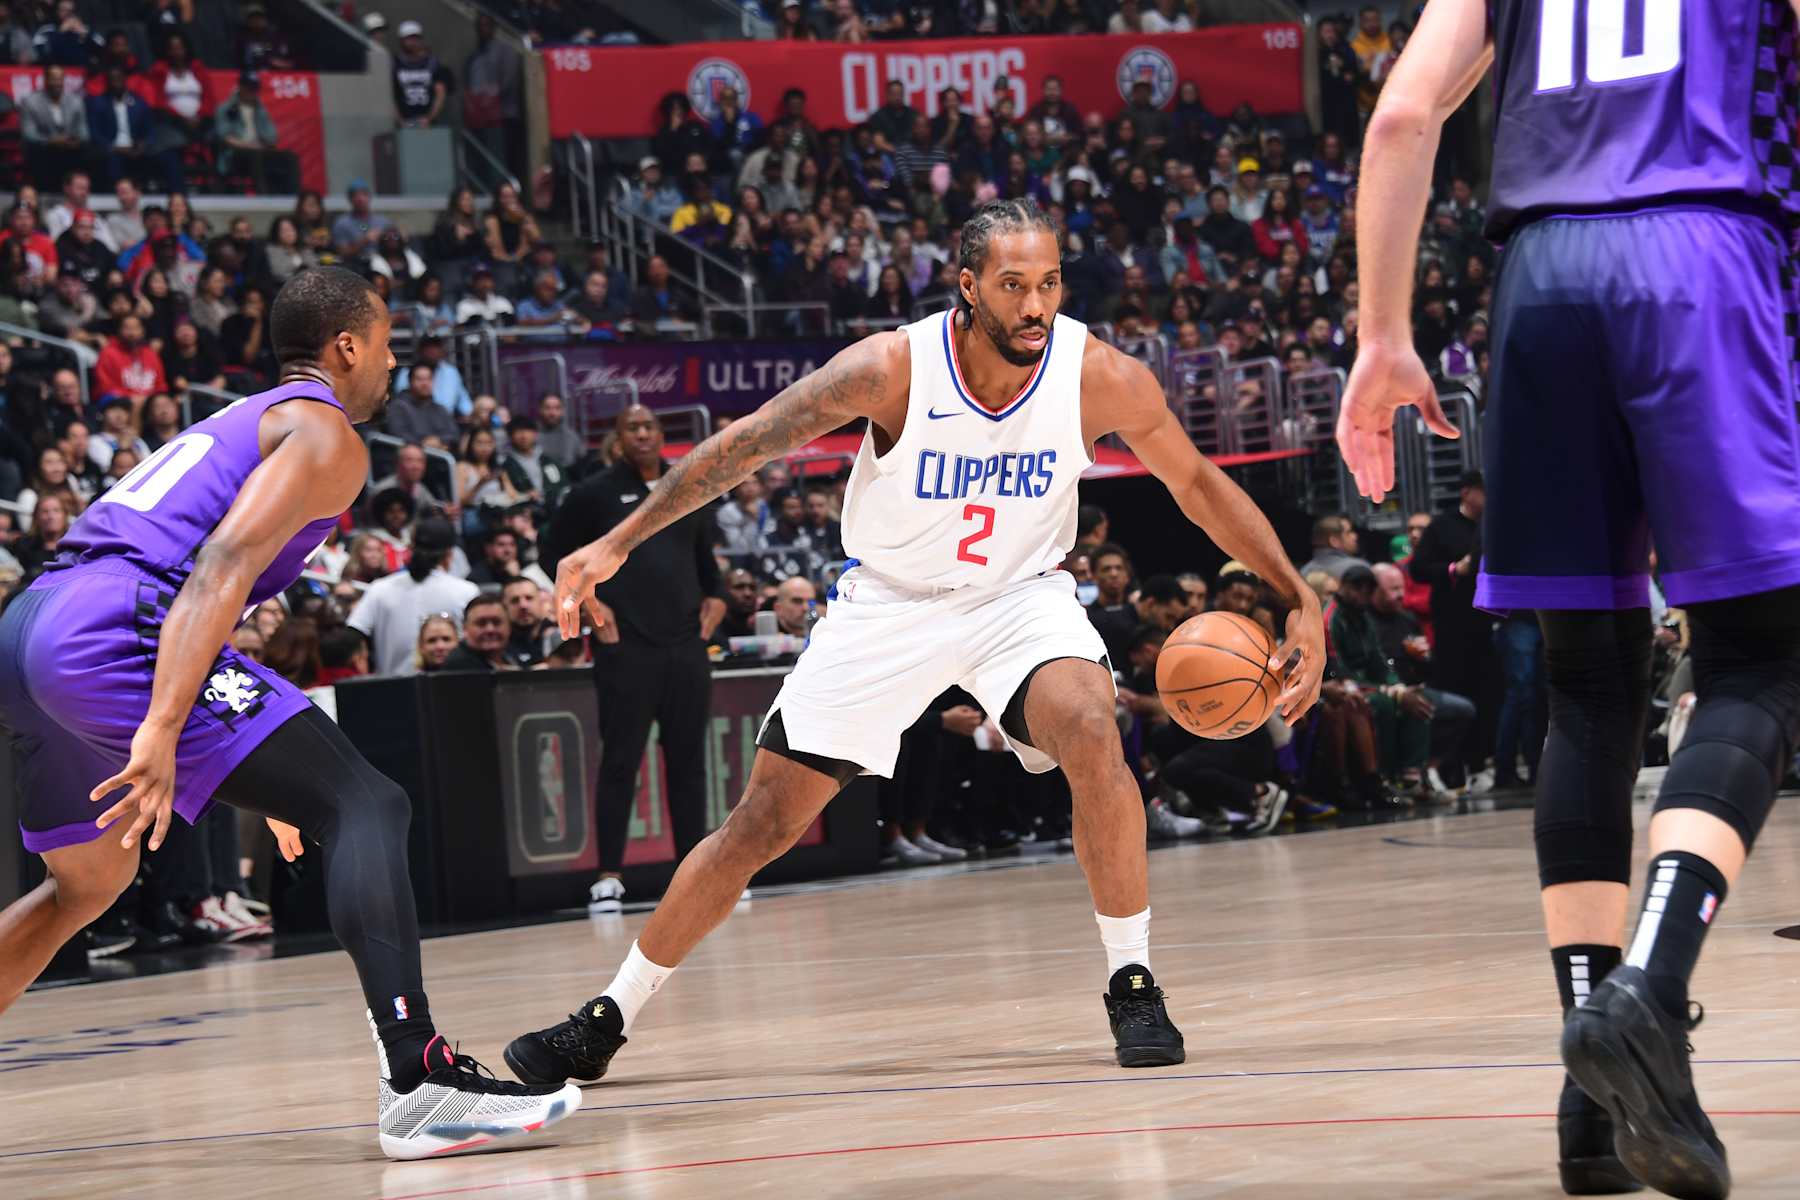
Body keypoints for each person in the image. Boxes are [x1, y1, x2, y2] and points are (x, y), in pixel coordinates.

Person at [505, 198, 1324, 1087]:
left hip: (1020, 596)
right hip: (888, 605)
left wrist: (1297, 596)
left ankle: (1132, 979)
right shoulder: (893, 368)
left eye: (1049, 283)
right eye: (1013, 285)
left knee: (1091, 723)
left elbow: (1199, 485)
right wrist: (619, 538)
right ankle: (608, 1014)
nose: (1036, 305)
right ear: (968, 287)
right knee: (764, 823)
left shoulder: (1100, 375)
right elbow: (745, 444)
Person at [1336, 3, 1800, 1196]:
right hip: (1705, 257)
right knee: (1758, 665)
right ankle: (1650, 981)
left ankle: (1590, 1103)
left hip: (1539, 284)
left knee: (1589, 690)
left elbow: (1398, 118)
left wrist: (1382, 334)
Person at [0, 266, 579, 1157]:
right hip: (116, 627)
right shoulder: (325, 431)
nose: (391, 366)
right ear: (347, 346)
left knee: (84, 886)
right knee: (364, 802)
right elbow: (220, 568)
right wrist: (161, 729)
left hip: (33, 624)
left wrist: (262, 778)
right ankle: (419, 1079)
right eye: (386, 346)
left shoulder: (239, 419)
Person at [541, 404, 724, 915]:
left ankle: (695, 874)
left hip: (686, 644)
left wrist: (718, 597)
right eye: (632, 427)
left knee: (688, 761)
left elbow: (705, 562)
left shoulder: (684, 486)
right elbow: (550, 553)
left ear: (661, 434)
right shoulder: (593, 493)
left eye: (649, 426)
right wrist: (589, 604)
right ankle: (609, 877)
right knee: (621, 761)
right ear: (618, 438)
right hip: (627, 648)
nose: (642, 434)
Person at [346, 517, 478, 677]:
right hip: (451, 687)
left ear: (411, 547)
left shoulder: (380, 588)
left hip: (393, 689)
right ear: (450, 554)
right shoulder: (466, 591)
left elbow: (352, 636)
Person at [391, 21, 453, 129]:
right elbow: (390, 97)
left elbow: (440, 93)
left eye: (416, 38)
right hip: (403, 122)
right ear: (401, 40)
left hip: (428, 122)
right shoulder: (395, 65)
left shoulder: (432, 63)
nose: (413, 42)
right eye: (409, 38)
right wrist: (400, 121)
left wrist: (429, 118)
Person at [439, 592, 510, 671]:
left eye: (496, 622)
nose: (490, 629)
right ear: (465, 628)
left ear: (509, 625)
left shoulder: (514, 656)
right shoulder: (458, 668)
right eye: (481, 623)